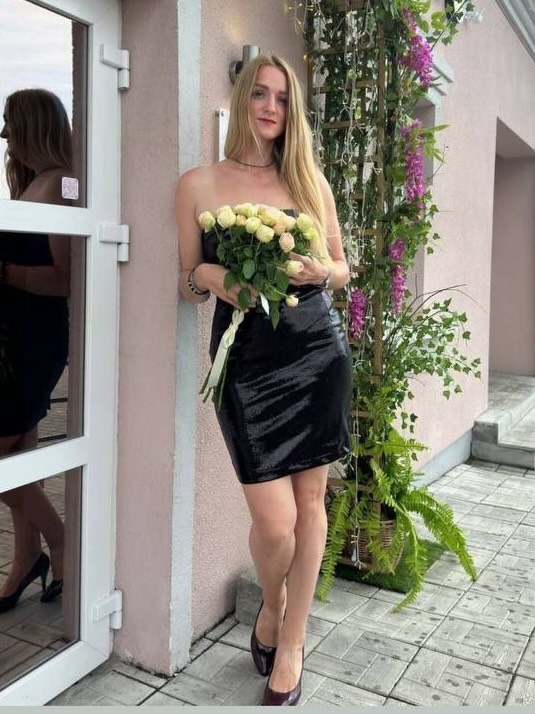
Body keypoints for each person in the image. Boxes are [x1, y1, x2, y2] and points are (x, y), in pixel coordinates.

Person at [176, 54, 352, 706]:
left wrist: (319, 272)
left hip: (316, 353)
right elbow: (188, 280)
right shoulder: (197, 185)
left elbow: (343, 268)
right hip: (245, 364)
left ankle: (292, 640)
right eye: (260, 94)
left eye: (281, 98)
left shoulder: (308, 181)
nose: (271, 107)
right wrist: (216, 276)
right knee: (276, 525)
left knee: (311, 505)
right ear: (243, 99)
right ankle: (273, 602)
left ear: (291, 111)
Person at [0, 88, 71, 611]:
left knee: (6, 458)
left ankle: (62, 542)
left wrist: (3, 270)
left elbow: (66, 279)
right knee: (20, 450)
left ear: (33, 125)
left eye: (9, 121)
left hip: (33, 339)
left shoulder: (64, 186)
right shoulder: (31, 185)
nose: (3, 133)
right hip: (12, 338)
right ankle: (26, 558)